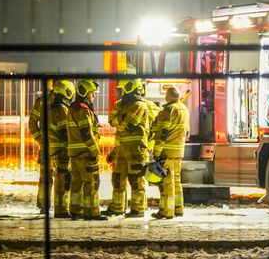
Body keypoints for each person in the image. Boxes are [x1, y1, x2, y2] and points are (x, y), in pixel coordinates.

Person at [27, 80, 73, 217]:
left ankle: (43, 206)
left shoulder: (41, 101)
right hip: (60, 148)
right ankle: (61, 208)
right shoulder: (64, 104)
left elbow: (32, 122)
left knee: (44, 178)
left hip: (46, 147)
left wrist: (40, 139)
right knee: (62, 178)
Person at [107, 78, 151, 217]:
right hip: (121, 149)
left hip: (136, 150)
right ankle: (117, 208)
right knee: (118, 179)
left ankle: (138, 209)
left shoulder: (140, 105)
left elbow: (127, 124)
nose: (119, 92)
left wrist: (119, 119)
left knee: (136, 180)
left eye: (121, 90)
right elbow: (111, 121)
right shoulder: (120, 104)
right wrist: (114, 151)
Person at [67, 79, 106, 220]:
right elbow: (86, 132)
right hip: (85, 153)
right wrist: (94, 151)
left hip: (75, 153)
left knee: (76, 183)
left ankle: (75, 210)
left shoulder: (73, 107)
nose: (94, 96)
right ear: (84, 92)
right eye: (92, 93)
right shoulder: (83, 110)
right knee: (92, 182)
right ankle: (91, 212)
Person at [150, 86, 189, 219]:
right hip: (179, 151)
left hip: (167, 152)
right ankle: (179, 208)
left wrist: (156, 152)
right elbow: (187, 131)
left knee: (167, 182)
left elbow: (163, 133)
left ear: (169, 96)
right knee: (177, 180)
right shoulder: (184, 109)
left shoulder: (168, 110)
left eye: (166, 95)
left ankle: (167, 211)